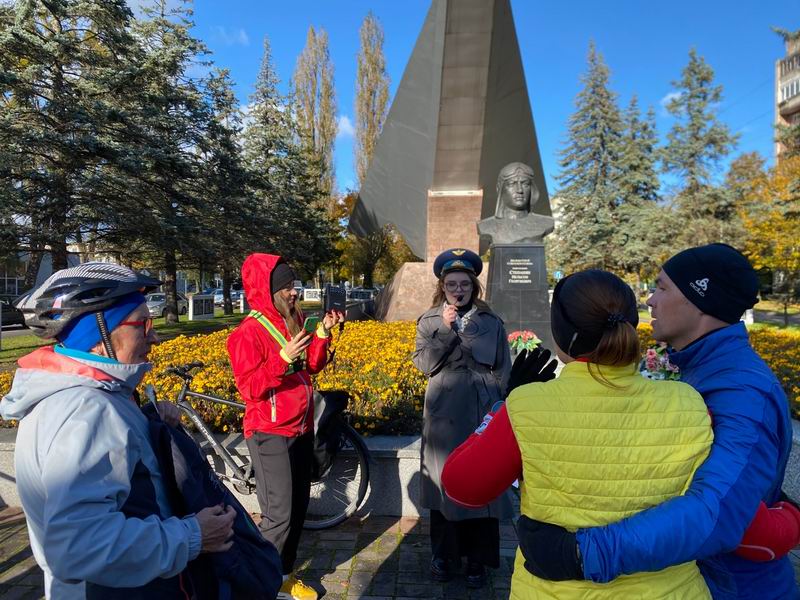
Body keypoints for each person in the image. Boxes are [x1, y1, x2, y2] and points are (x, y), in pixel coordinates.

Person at [503, 244, 799, 599]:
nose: (650, 301)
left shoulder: (741, 390)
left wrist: (584, 553)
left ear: (698, 298)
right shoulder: (705, 371)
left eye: (662, 287)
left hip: (733, 588)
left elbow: (720, 513)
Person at [442, 268, 715, 598]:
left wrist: (504, 406)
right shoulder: (688, 402)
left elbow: (463, 487)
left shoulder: (528, 407)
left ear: (560, 333)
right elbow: (719, 504)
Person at [0, 263, 236, 599]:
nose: (154, 337)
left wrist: (151, 426)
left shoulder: (87, 396)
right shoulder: (85, 411)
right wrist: (193, 535)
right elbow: (78, 546)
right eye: (143, 324)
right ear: (97, 340)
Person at [226, 253, 344, 600]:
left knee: (297, 509)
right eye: (287, 287)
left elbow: (313, 366)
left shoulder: (293, 319)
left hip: (301, 428)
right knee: (279, 517)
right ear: (269, 290)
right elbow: (249, 389)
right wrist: (282, 359)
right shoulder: (248, 332)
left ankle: (283, 575)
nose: (294, 292)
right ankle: (259, 584)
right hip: (269, 433)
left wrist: (322, 332)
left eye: (294, 286)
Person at [411, 248, 513, 589]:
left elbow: (503, 370)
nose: (458, 289)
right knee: (445, 487)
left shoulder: (492, 321)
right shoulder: (428, 322)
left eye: (464, 283)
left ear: (474, 286)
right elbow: (424, 365)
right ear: (443, 286)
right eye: (451, 283)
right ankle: (444, 555)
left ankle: (477, 560)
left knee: (482, 485)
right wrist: (444, 329)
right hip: (445, 417)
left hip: (482, 414)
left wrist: (501, 410)